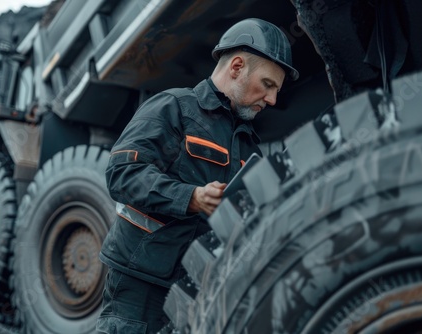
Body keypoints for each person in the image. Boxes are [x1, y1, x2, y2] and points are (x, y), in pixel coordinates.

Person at [96, 18, 299, 334]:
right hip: (141, 281)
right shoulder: (173, 107)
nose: (272, 100)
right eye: (268, 84)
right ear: (236, 67)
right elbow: (122, 174)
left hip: (193, 290)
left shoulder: (248, 144)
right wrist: (190, 198)